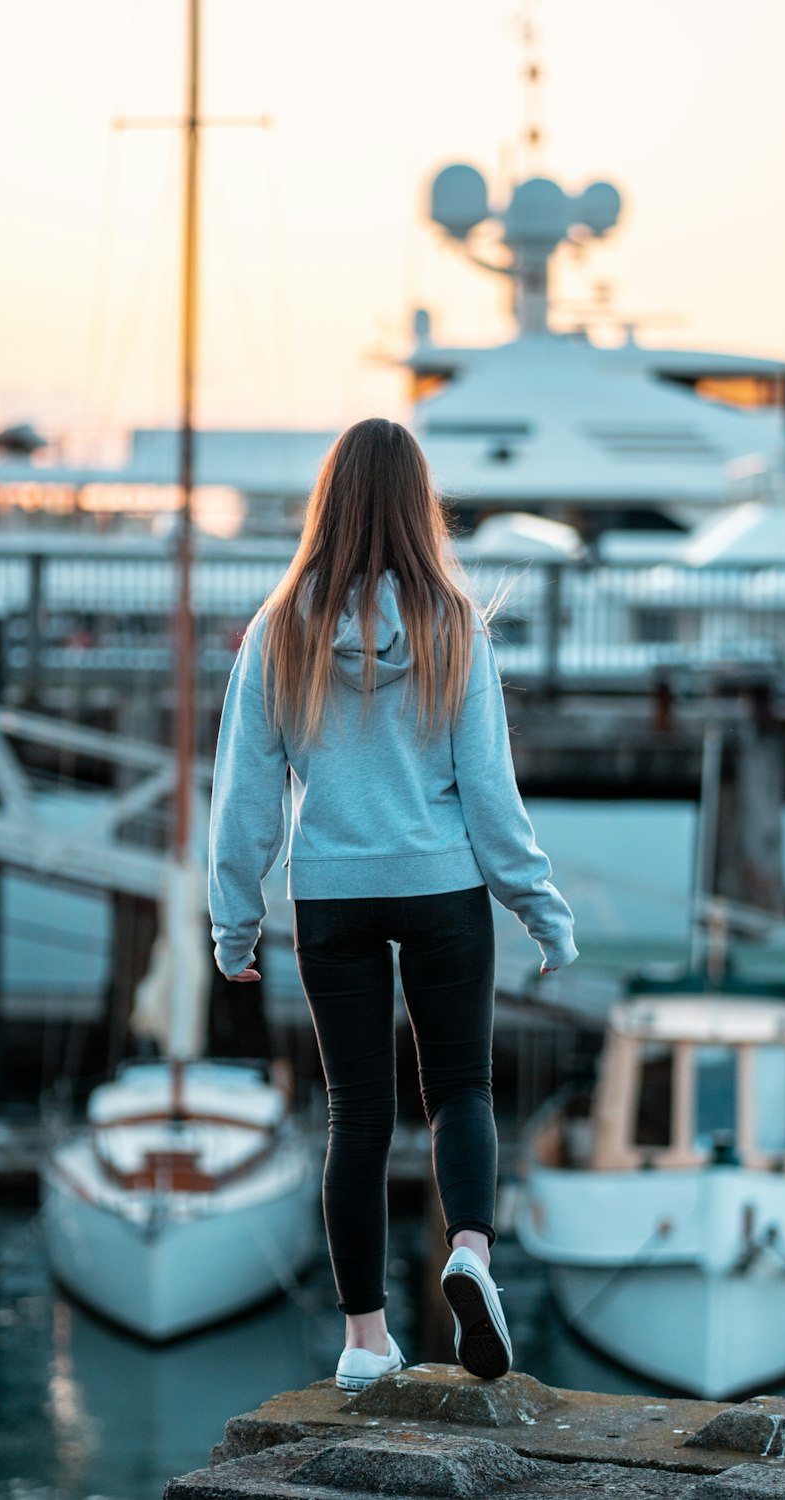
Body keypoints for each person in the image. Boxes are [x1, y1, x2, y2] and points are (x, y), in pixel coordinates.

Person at [207, 417, 578, 1389]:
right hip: (442, 886)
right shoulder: (456, 623)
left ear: (327, 500)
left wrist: (234, 921)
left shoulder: (278, 627)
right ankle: (468, 1253)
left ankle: (365, 1341)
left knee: (357, 1113)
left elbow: (244, 797)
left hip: (330, 894)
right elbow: (489, 792)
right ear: (421, 503)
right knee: (459, 1088)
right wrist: (539, 907)